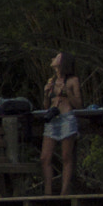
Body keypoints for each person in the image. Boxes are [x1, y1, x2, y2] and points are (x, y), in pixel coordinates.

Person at [40, 49, 82, 196]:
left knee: (66, 156)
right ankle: (48, 192)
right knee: (45, 157)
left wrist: (67, 92)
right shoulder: (51, 81)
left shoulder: (73, 80)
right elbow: (46, 106)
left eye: (57, 57)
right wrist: (46, 94)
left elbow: (78, 104)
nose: (53, 59)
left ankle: (64, 191)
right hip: (52, 120)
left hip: (67, 118)